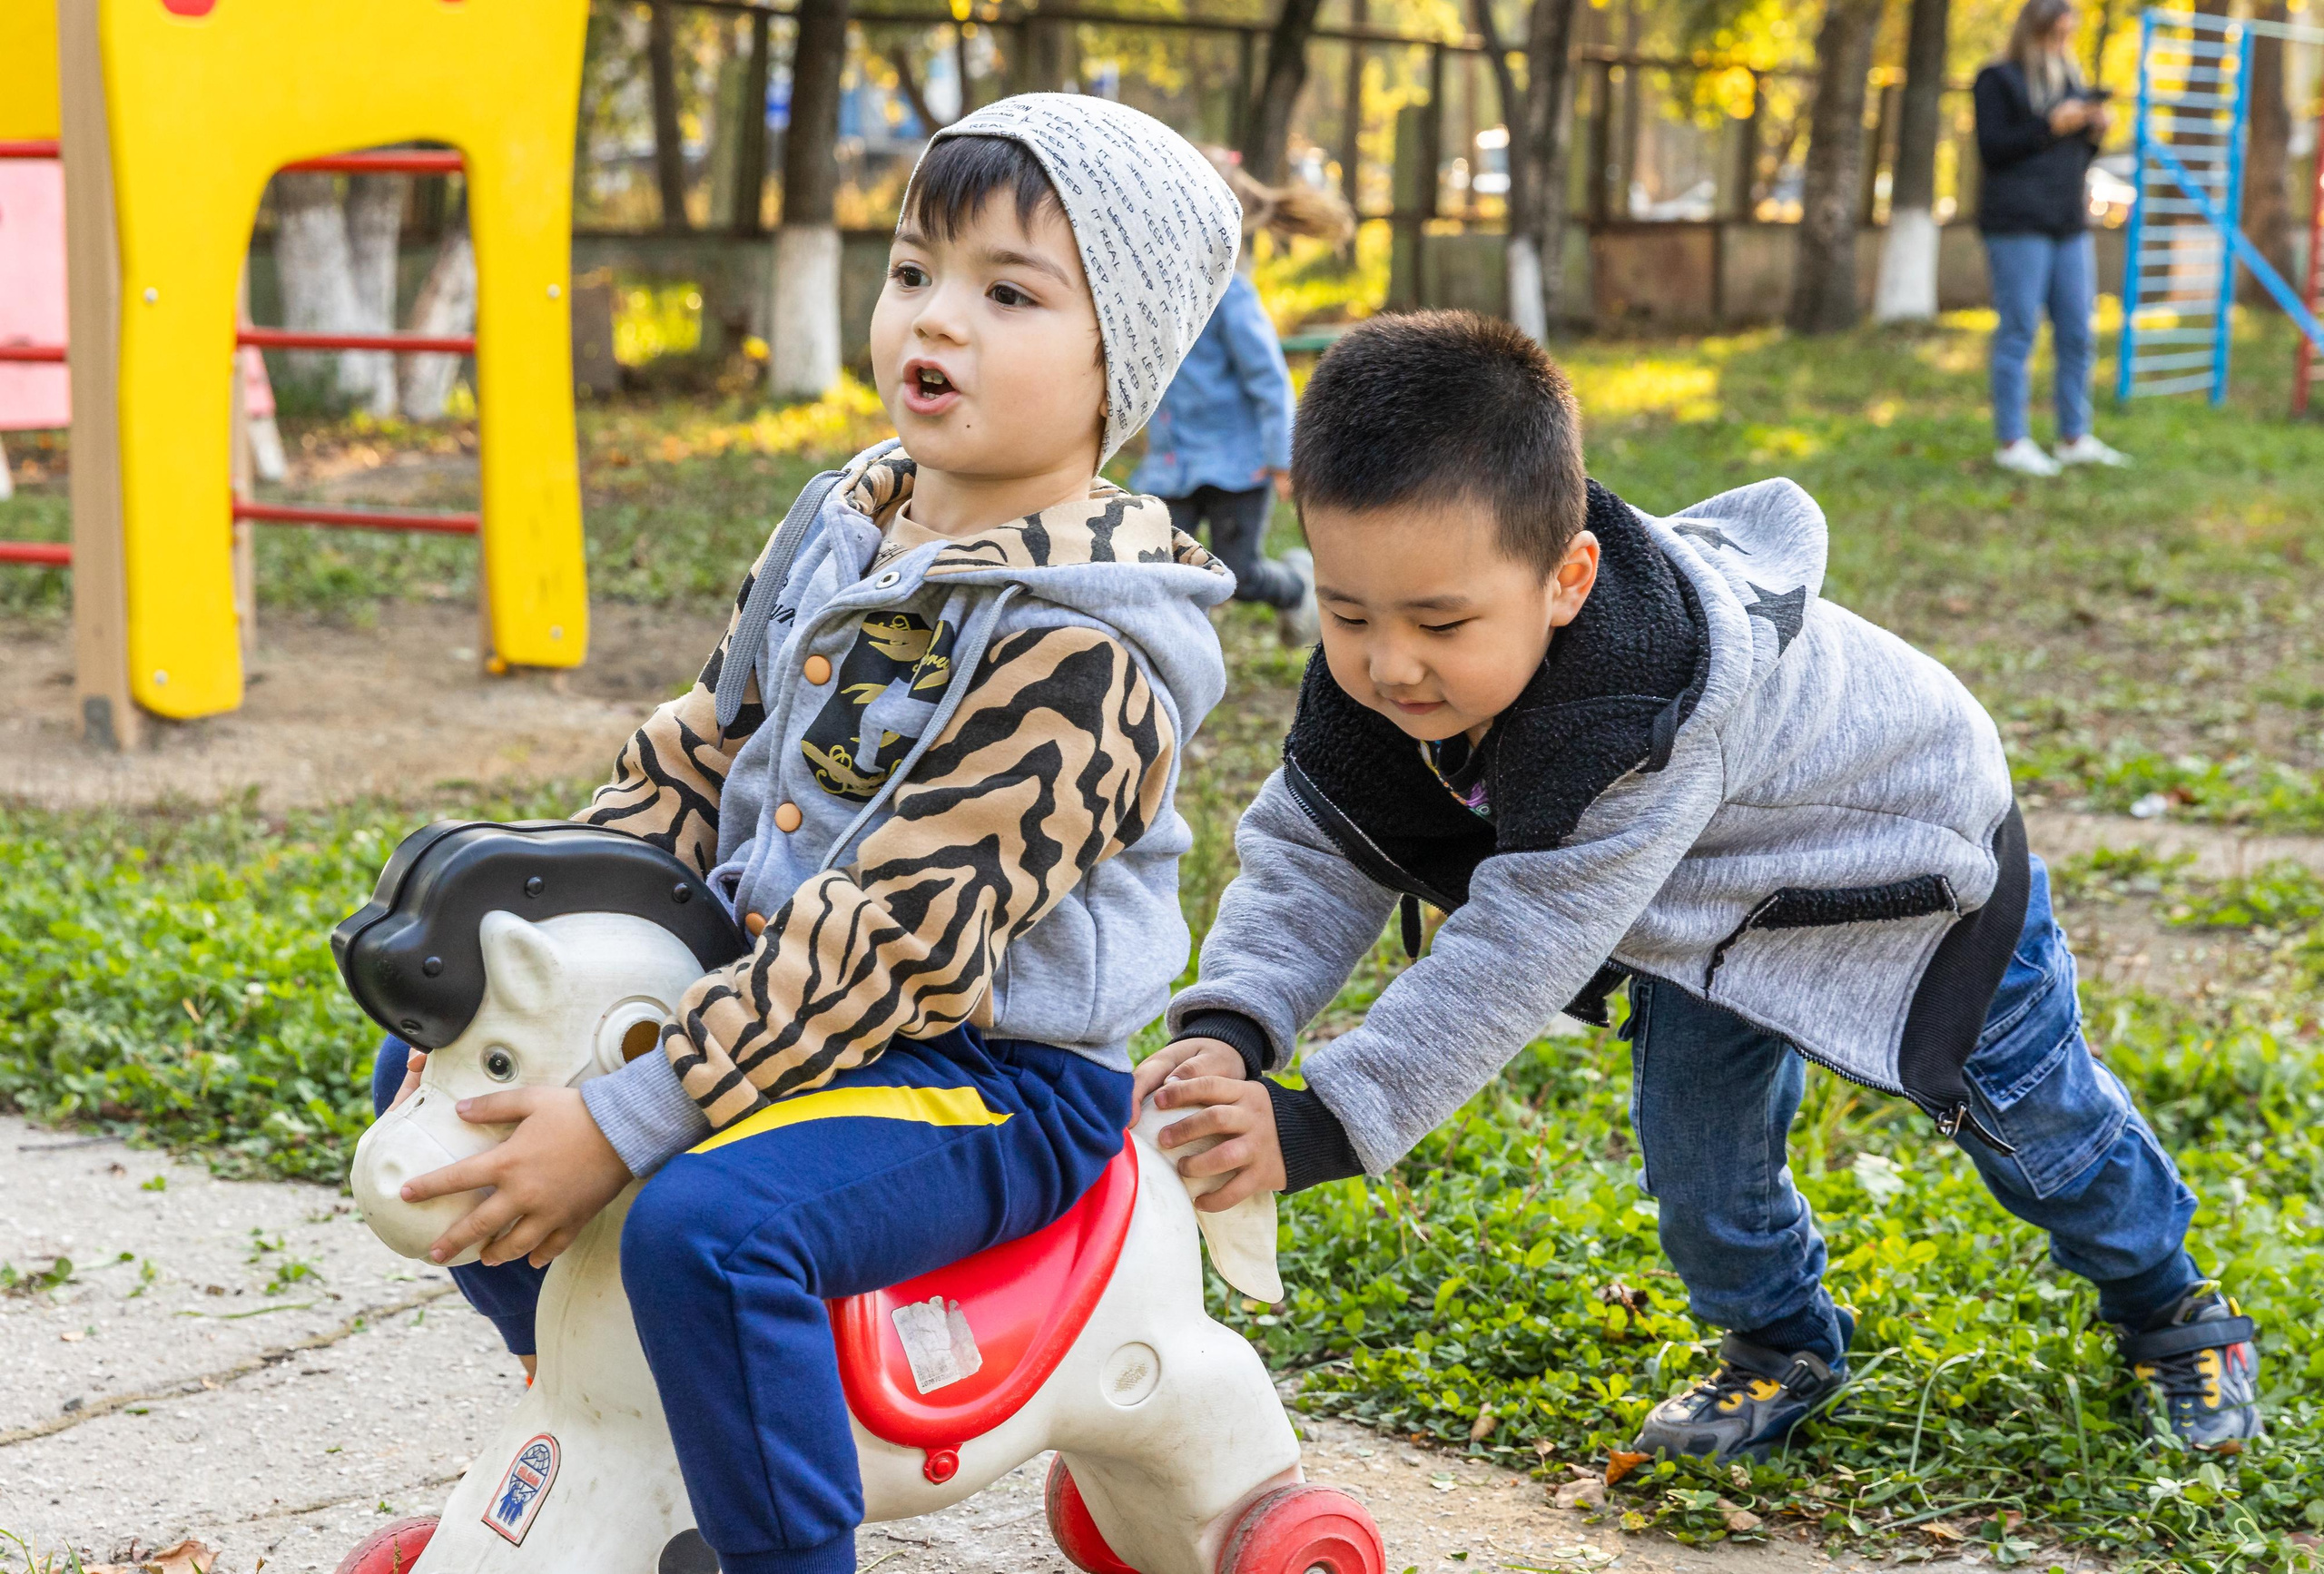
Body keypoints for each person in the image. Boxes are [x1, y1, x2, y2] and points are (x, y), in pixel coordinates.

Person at [1135, 310, 2262, 1461]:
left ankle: (2173, 1310)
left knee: (2036, 1128)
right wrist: (1234, 1022)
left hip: (1915, 872)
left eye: (1440, 621)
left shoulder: (1639, 713)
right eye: (1345, 612)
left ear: (1567, 578)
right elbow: (1314, 848)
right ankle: (1780, 1340)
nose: (1389, 664)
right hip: (1704, 894)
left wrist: (1325, 1121)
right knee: (1697, 1151)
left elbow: (1522, 943)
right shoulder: (1383, 676)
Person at [373, 94, 1244, 1574]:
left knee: (705, 1220)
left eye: (1009, 292)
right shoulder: (843, 519)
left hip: (984, 1068)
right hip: (769, 1000)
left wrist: (637, 1111)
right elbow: (705, 739)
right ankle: (619, 1420)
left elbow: (900, 934)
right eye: (915, 270)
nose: (938, 318)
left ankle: (775, 1544)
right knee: (437, 1068)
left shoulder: (1093, 651)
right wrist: (569, 932)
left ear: (1122, 367)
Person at [1130, 154, 1352, 647]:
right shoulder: (1156, 296)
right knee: (1160, 563)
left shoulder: (1231, 296)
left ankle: (1296, 590)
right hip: (1175, 462)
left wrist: (1282, 460)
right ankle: (1176, 650)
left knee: (1241, 576)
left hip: (1236, 463)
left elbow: (1269, 381)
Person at [1974, 0, 2130, 477]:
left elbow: (2074, 161)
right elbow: (1994, 149)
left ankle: (2073, 436)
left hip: (2067, 223)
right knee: (2019, 330)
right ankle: (2011, 441)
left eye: (2068, 35)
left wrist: (2092, 133)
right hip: (2017, 223)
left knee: (2079, 332)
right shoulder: (1997, 80)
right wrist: (2049, 126)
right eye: (2054, 35)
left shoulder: (2071, 85)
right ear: (2033, 31)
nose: (2062, 45)